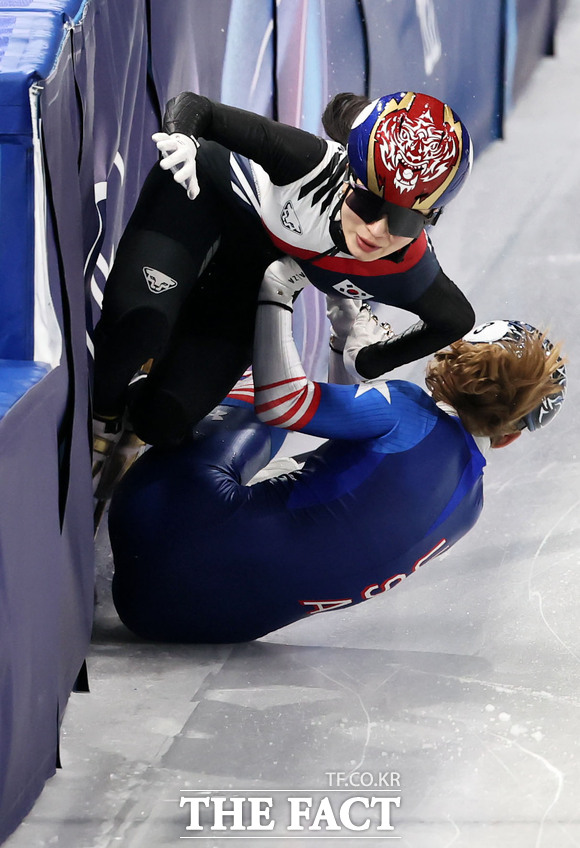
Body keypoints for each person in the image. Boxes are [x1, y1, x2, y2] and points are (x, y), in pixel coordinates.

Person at [108, 258, 566, 644]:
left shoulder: (407, 409)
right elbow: (344, 475)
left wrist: (277, 292)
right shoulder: (470, 507)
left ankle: (135, 401)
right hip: (200, 624)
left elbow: (284, 404)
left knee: (266, 396)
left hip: (154, 523)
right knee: (300, 471)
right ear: (510, 436)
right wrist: (341, 337)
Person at [92, 89, 475, 485]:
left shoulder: (410, 269)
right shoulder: (308, 162)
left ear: (429, 219)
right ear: (348, 176)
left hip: (250, 271)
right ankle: (103, 416)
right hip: (201, 197)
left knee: (163, 420)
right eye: (367, 203)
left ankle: (138, 396)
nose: (377, 230)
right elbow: (195, 107)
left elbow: (456, 320)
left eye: (404, 220)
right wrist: (183, 139)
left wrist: (370, 361)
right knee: (140, 323)